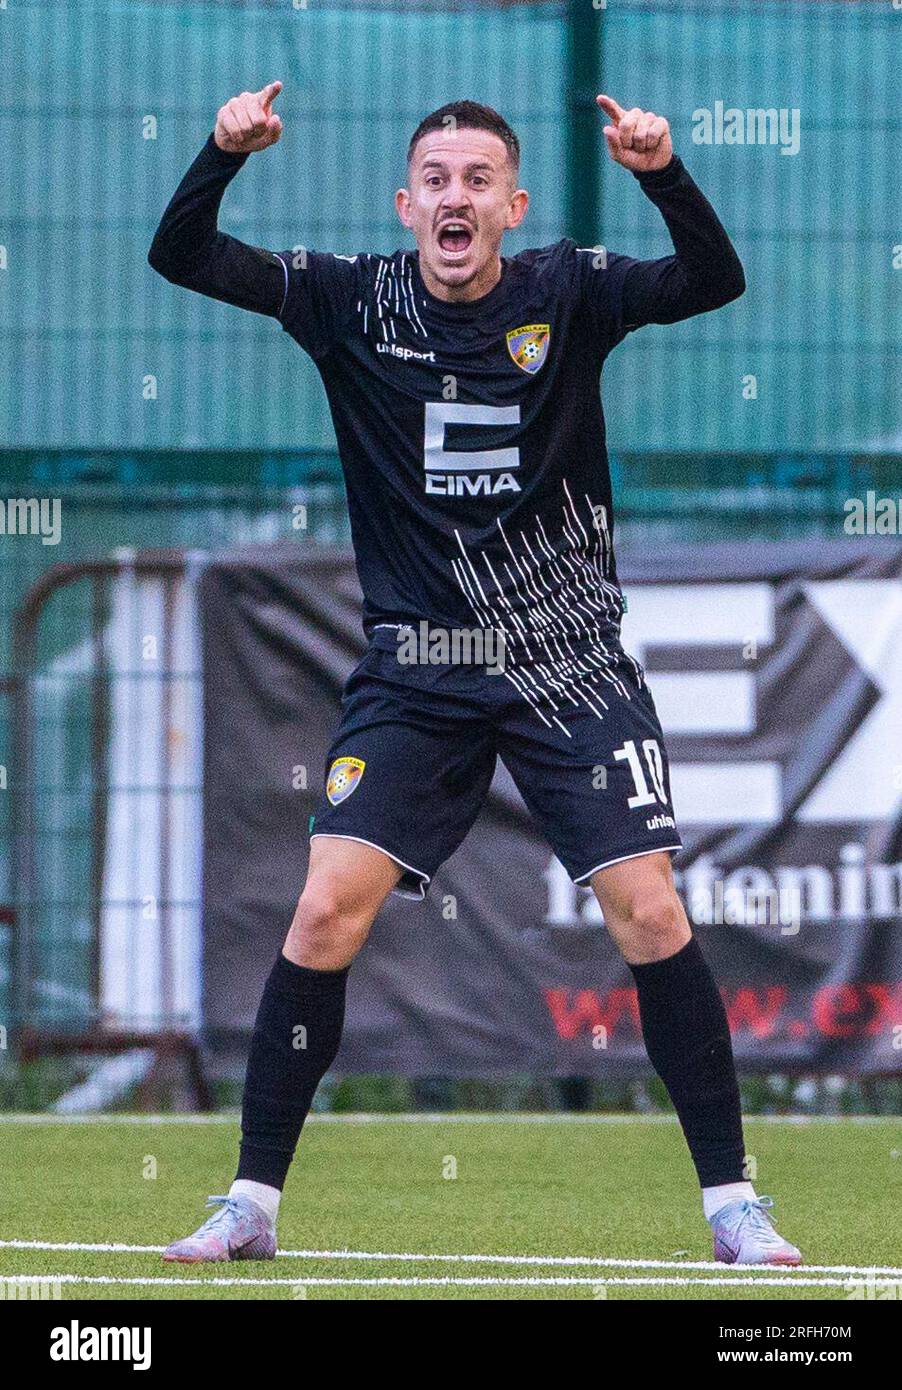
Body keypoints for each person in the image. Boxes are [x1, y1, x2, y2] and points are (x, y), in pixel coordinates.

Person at [148, 83, 800, 1267]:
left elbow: (712, 279)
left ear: (512, 203)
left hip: (565, 660)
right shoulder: (347, 298)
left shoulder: (571, 290)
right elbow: (180, 253)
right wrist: (221, 149)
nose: (456, 198)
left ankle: (731, 1207)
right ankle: (250, 1202)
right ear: (407, 205)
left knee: (649, 911)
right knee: (320, 908)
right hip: (417, 671)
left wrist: (661, 169)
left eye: (477, 180)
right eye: (435, 181)